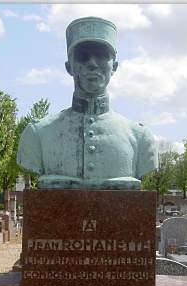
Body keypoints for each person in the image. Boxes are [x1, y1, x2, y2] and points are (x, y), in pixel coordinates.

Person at [17, 17, 158, 189]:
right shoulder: (37, 135)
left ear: (114, 67)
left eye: (101, 56)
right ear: (69, 67)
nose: (92, 63)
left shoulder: (141, 139)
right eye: (83, 56)